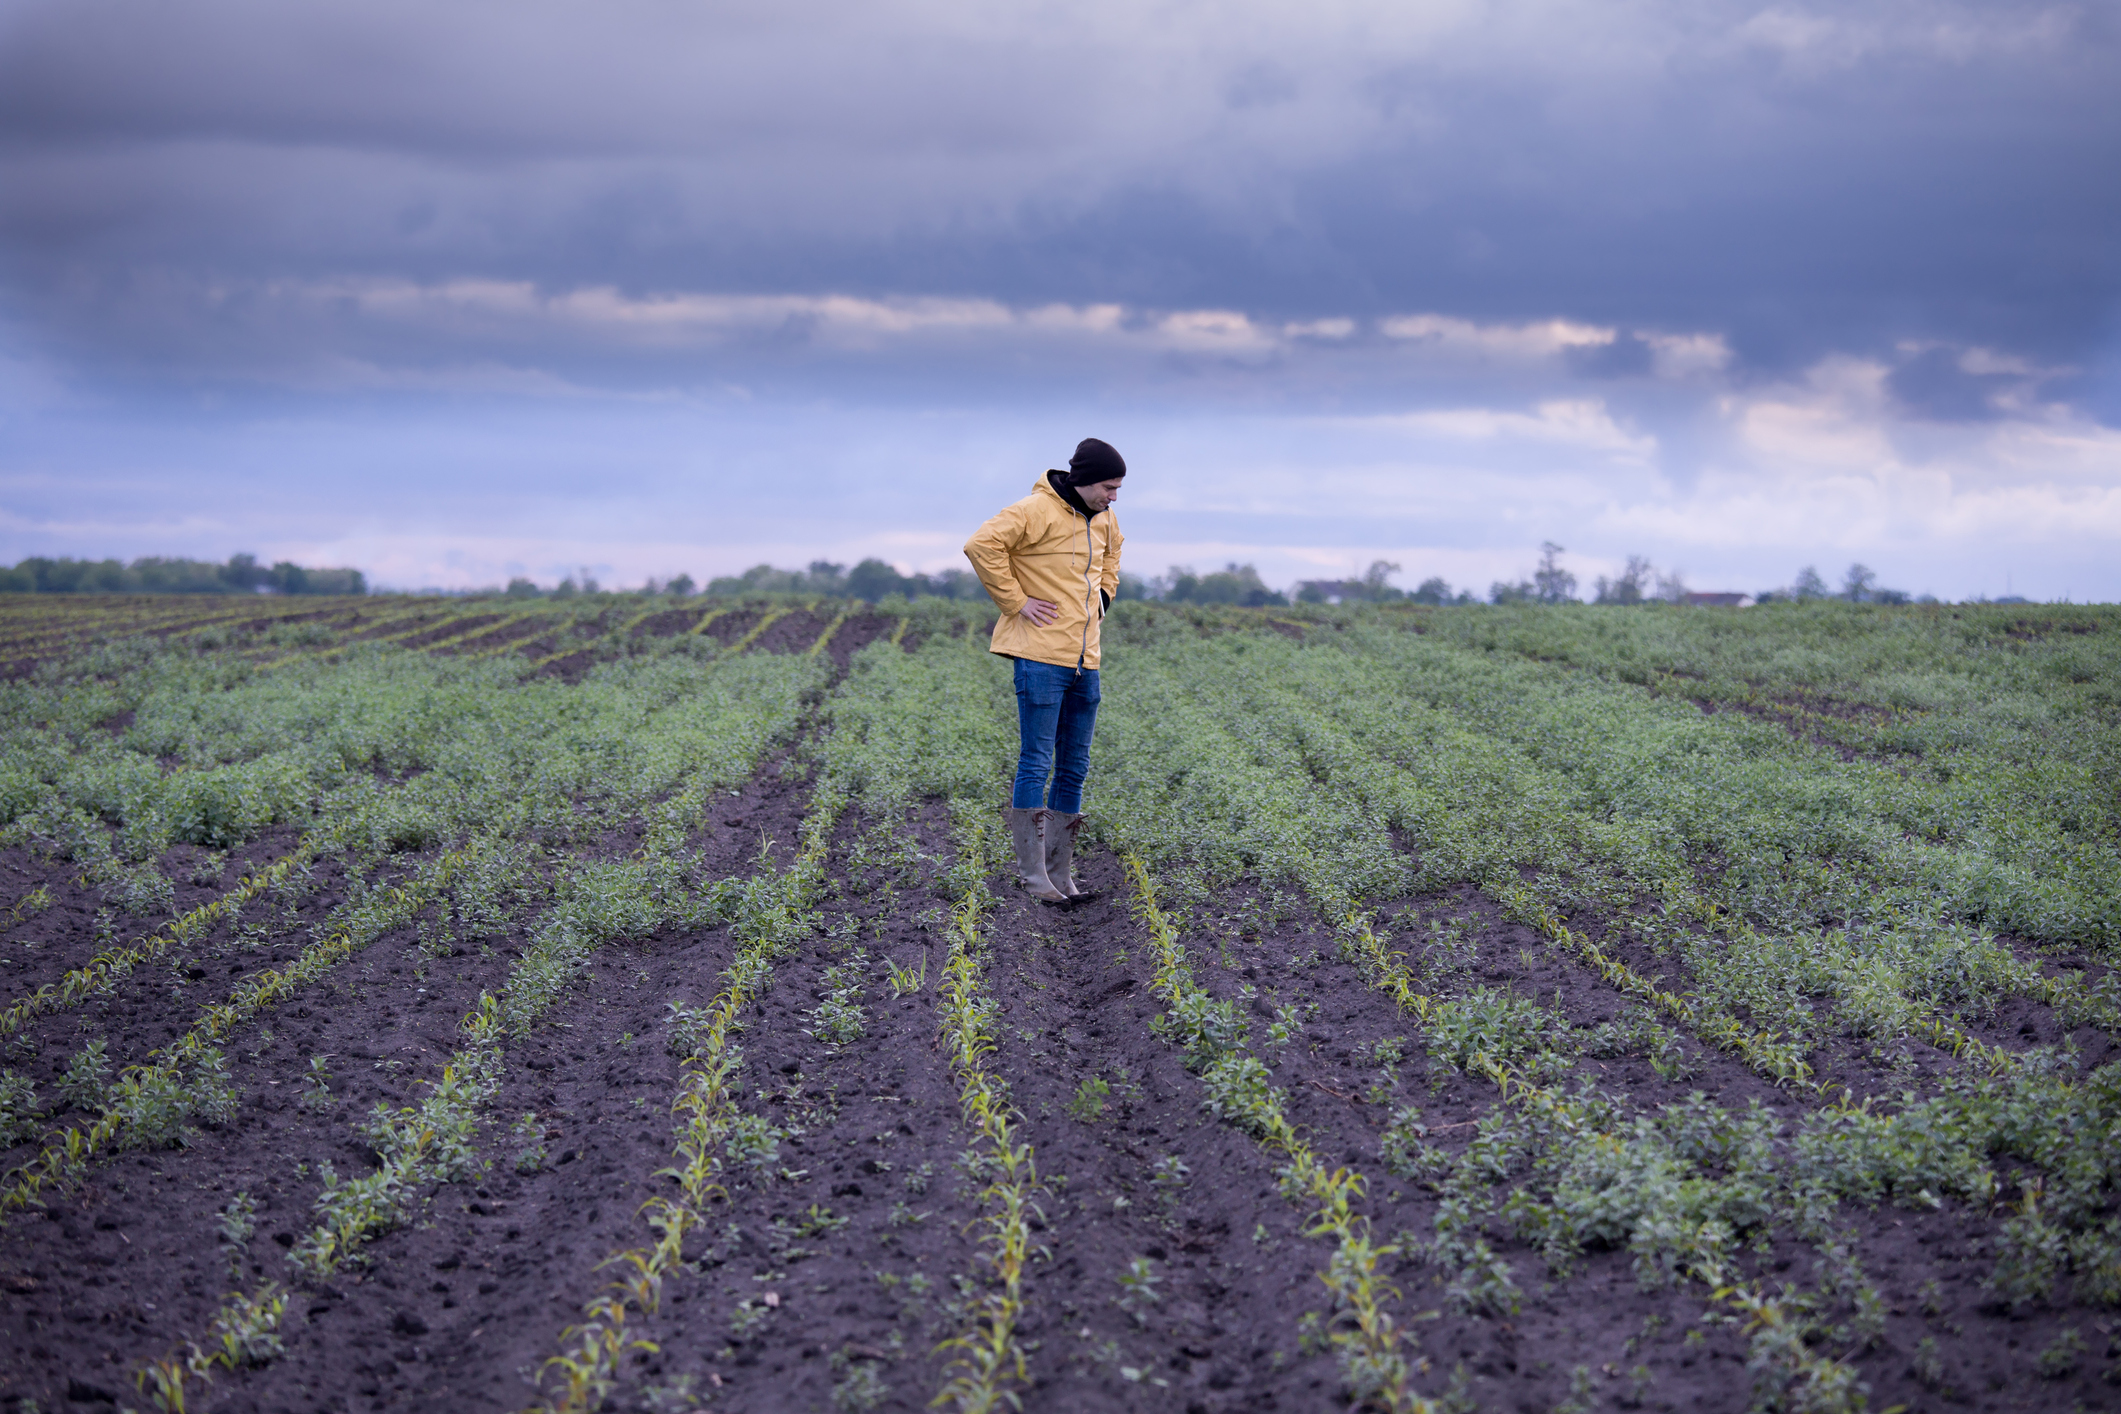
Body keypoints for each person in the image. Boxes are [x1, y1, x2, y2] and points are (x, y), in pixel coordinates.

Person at [963, 438, 1126, 905]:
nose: (1113, 497)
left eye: (1117, 489)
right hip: (1039, 656)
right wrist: (1016, 602)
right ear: (1084, 480)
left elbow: (1113, 559)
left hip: (1085, 660)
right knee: (1036, 760)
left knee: (1075, 767)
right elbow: (981, 545)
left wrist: (1103, 599)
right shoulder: (1035, 510)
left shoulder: (1106, 520)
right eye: (1108, 487)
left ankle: (1061, 875)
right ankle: (1034, 877)